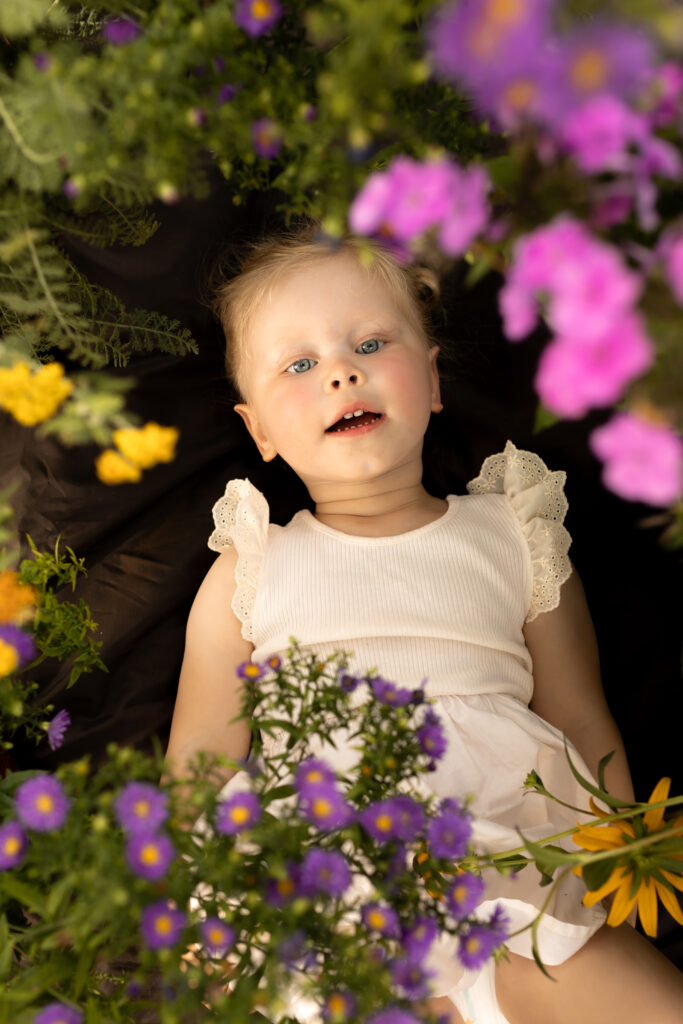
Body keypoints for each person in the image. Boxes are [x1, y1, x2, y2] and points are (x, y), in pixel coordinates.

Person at [165, 226, 683, 1024]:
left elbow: (577, 712)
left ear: (433, 381)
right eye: (298, 365)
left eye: (370, 342)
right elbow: (196, 764)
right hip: (333, 905)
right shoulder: (251, 567)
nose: (341, 370)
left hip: (521, 889)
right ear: (259, 431)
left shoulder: (514, 532)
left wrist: (627, 858)